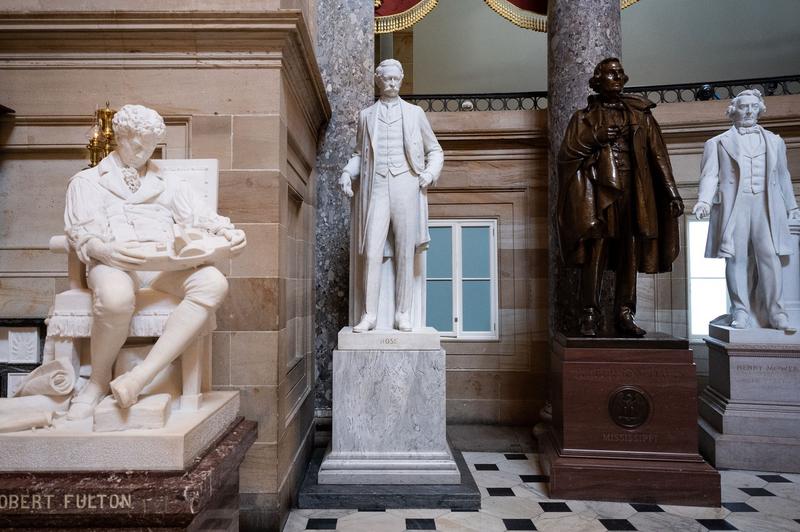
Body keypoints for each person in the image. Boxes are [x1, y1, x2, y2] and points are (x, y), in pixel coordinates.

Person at [63, 104, 246, 418]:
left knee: (213, 282)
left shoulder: (169, 181)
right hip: (115, 263)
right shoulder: (89, 181)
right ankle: (97, 380)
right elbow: (80, 234)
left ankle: (139, 378)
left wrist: (229, 233)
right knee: (115, 297)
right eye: (138, 144)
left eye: (151, 146)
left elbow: (202, 217)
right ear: (120, 137)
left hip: (163, 265)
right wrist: (103, 251)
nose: (144, 152)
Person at [557, 58, 684, 337]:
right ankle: (589, 313)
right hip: (598, 190)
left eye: (619, 73)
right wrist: (595, 137)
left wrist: (671, 192)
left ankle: (625, 313)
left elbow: (658, 155)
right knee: (596, 252)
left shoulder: (641, 114)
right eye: (609, 73)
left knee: (630, 251)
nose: (616, 77)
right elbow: (566, 155)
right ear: (597, 80)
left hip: (635, 188)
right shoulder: (582, 118)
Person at [339, 59, 444, 332]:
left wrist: (429, 174)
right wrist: (347, 173)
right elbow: (359, 156)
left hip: (406, 184)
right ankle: (369, 315)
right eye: (387, 79)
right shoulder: (366, 116)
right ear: (378, 80)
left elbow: (435, 150)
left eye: (397, 79)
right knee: (371, 251)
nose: (392, 84)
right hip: (376, 187)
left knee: (404, 252)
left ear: (402, 78)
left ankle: (403, 313)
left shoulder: (415, 113)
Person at [693, 89, 799, 330]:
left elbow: (783, 176)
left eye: (753, 106)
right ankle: (740, 311)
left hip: (766, 205)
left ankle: (776, 312)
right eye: (744, 106)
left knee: (770, 257)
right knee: (736, 258)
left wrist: (792, 205)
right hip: (734, 206)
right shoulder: (717, 143)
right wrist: (703, 201)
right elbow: (709, 176)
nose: (749, 111)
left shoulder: (775, 141)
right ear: (733, 111)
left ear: (760, 109)